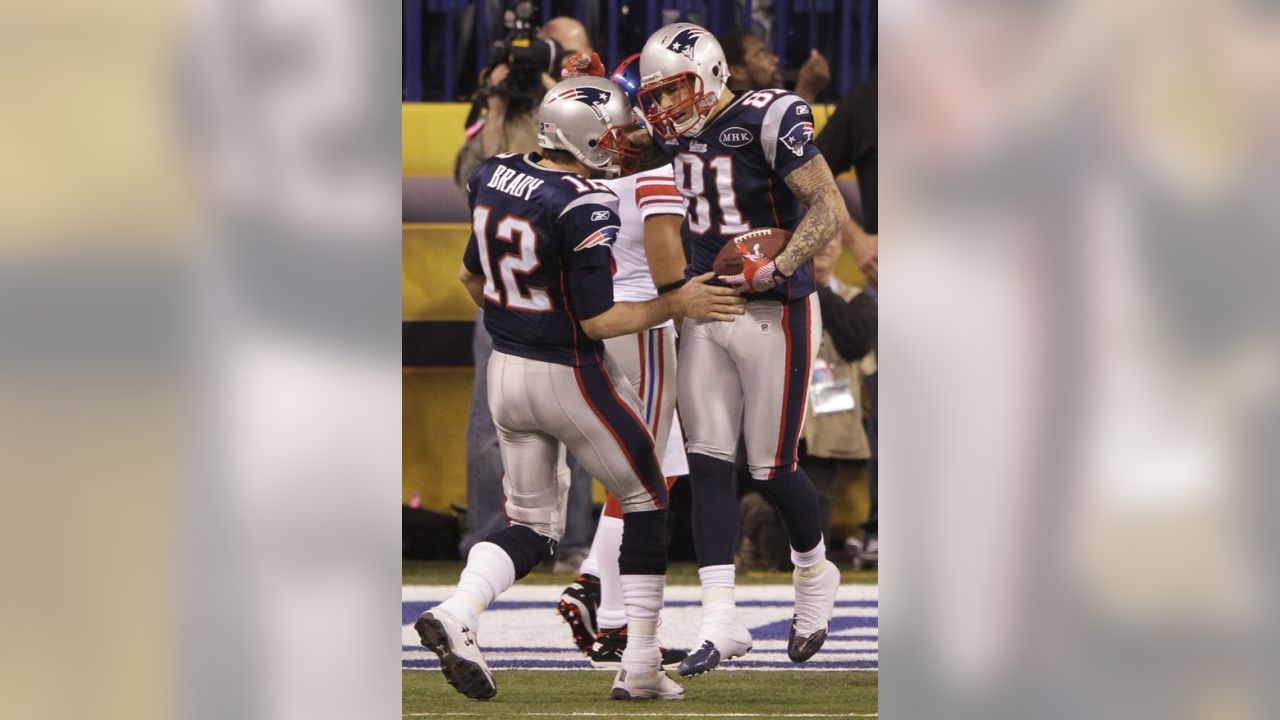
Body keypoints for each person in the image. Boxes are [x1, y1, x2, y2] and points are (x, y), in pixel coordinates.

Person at [414, 75, 745, 702]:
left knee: (533, 526)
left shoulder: (495, 173)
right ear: (583, 134)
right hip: (565, 372)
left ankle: (459, 610)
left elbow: (468, 276)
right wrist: (677, 300)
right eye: (611, 134)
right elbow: (600, 321)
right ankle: (641, 662)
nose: (618, 145)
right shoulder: (583, 202)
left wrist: (522, 317)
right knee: (647, 496)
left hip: (505, 372)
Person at [630, 22, 851, 676]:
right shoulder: (678, 131)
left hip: (775, 311)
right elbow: (630, 147)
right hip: (708, 305)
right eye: (657, 95)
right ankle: (720, 617)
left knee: (772, 466)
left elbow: (829, 208)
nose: (667, 107)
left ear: (715, 74)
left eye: (677, 89)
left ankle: (814, 573)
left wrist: (779, 268)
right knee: (705, 462)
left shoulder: (768, 115)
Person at [555, 54, 689, 669]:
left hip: (590, 324)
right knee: (646, 475)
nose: (657, 117)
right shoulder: (651, 173)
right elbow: (669, 273)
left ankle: (591, 586)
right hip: (641, 325)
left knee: (646, 470)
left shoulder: (577, 173)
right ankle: (612, 619)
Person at [719, 29, 830, 104]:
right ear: (737, 71)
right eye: (762, 54)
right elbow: (786, 134)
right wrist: (805, 91)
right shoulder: (729, 120)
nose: (776, 59)